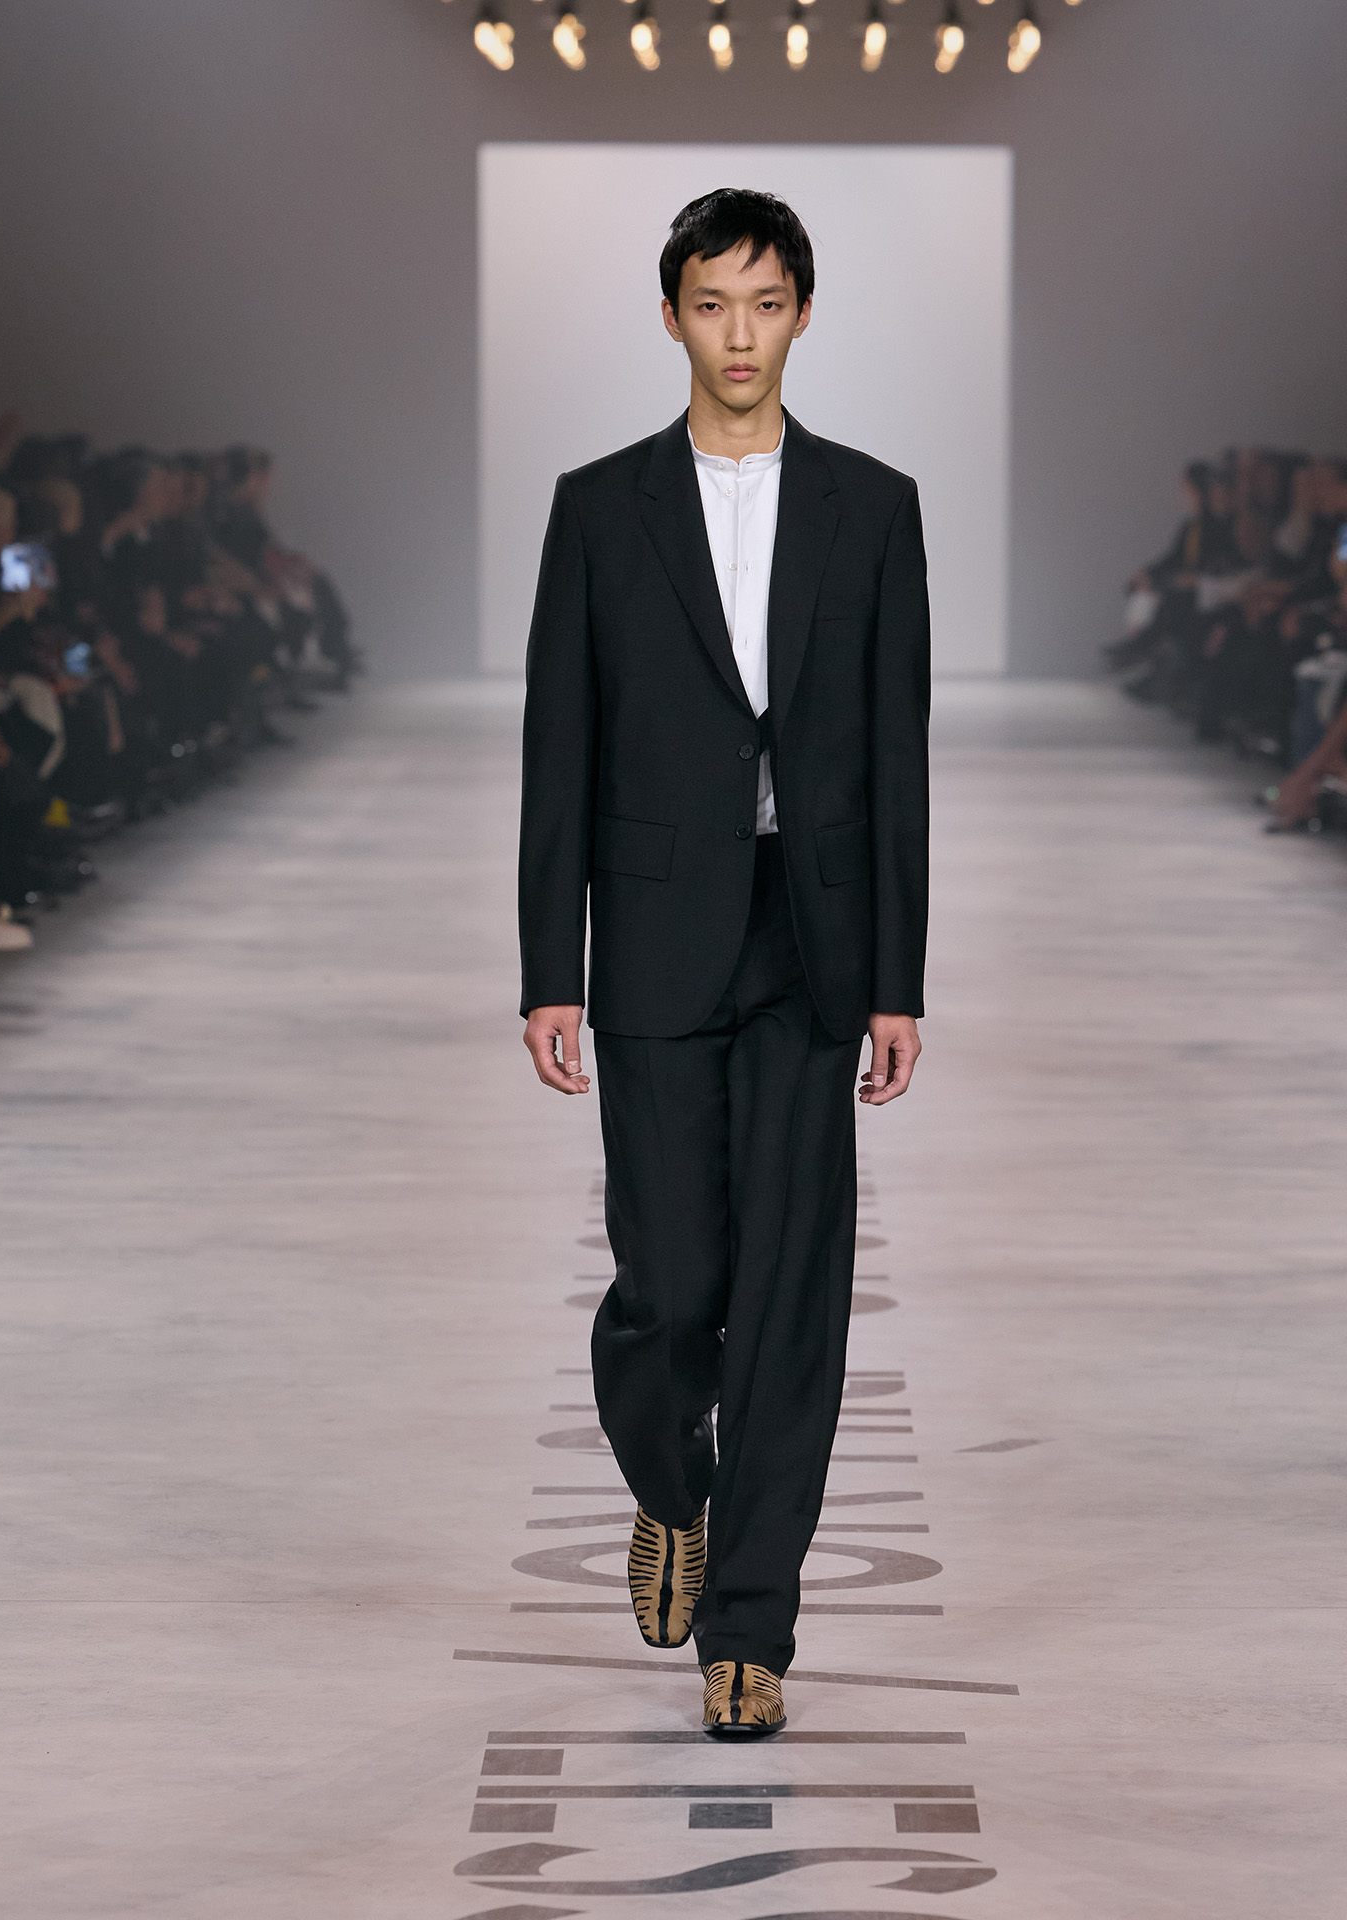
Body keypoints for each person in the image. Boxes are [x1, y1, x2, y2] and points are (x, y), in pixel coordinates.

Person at [516, 189, 931, 1739]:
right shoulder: (599, 506)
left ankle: (749, 1630)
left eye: (765, 303)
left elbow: (897, 753)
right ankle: (669, 1486)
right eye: (712, 304)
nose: (739, 335)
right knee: (671, 1280)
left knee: (793, 1291)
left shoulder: (873, 506)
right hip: (653, 930)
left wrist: (898, 977)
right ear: (672, 316)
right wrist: (548, 966)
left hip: (811, 935)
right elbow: (560, 745)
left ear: (803, 314)